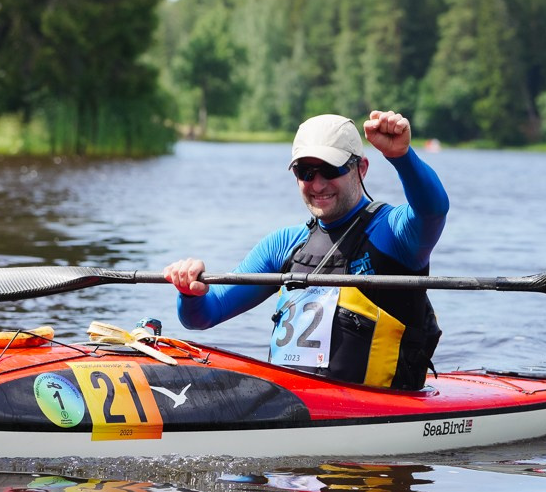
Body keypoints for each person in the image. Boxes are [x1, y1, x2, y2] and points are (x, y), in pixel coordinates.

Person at [163, 110, 449, 390]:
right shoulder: (284, 245)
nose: (318, 184)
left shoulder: (392, 232)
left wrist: (401, 157)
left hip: (381, 410)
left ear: (361, 168)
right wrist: (189, 293)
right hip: (295, 403)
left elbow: (433, 210)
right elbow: (203, 316)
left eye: (330, 169)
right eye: (306, 172)